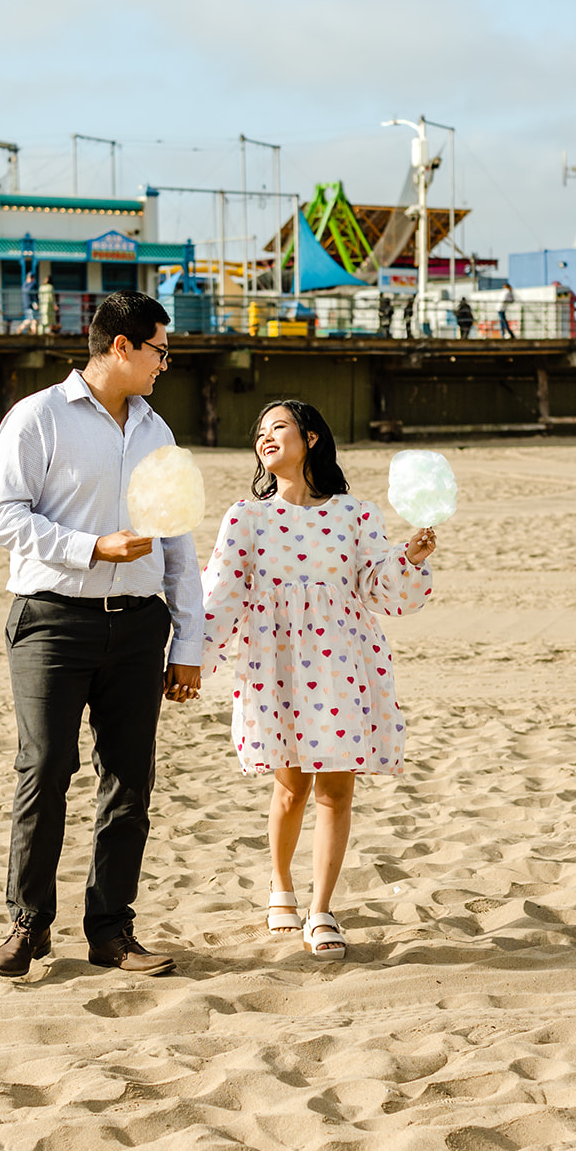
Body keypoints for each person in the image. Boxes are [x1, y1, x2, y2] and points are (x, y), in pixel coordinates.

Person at [0, 290, 203, 979]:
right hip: (50, 620)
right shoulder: (38, 417)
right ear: (121, 346)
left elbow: (177, 543)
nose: (166, 363)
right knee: (45, 769)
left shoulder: (157, 433)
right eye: (161, 350)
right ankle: (27, 927)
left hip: (140, 629)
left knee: (128, 782)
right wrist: (89, 548)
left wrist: (187, 646)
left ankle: (111, 932)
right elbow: (1, 517)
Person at [201, 400, 435, 961]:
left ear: (310, 437)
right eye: (259, 432)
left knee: (336, 788)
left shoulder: (355, 515)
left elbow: (381, 588)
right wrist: (189, 657)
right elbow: (221, 593)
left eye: (276, 427)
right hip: (276, 663)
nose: (265, 438)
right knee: (290, 786)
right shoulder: (246, 518)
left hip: (342, 662)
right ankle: (281, 885)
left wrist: (410, 556)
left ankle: (321, 908)